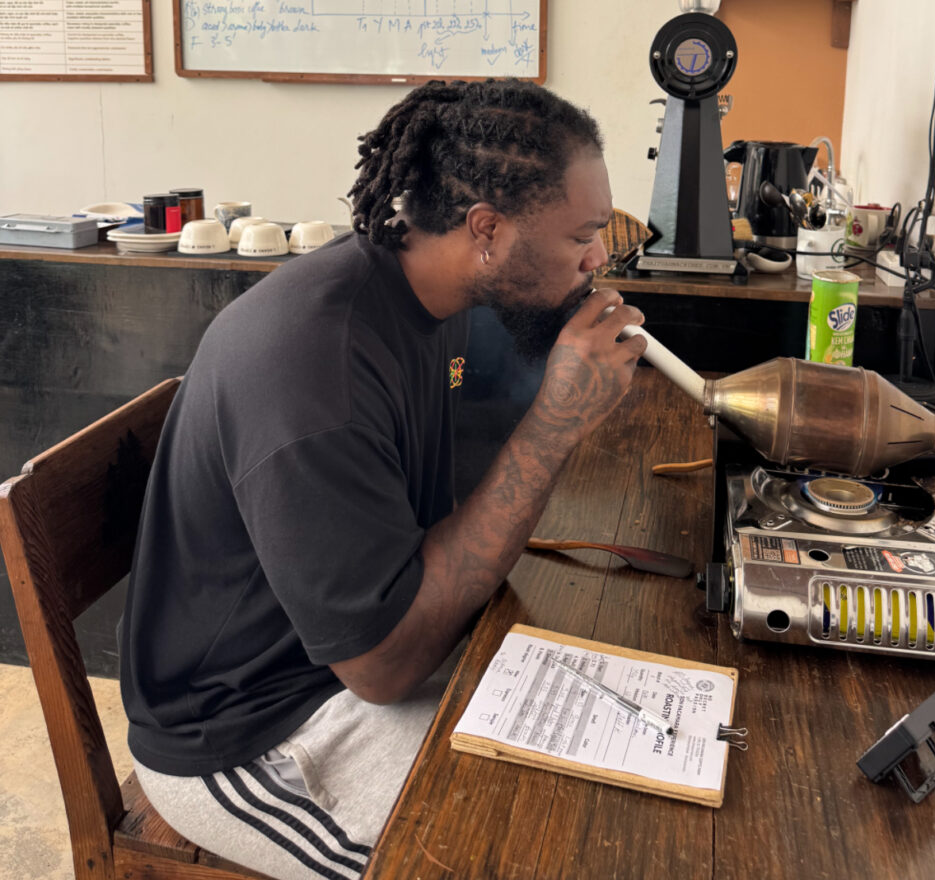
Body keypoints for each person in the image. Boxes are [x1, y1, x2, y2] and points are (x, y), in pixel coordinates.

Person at [119, 79, 647, 880]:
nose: (598, 258)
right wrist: (556, 423)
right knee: (499, 854)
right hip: (248, 728)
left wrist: (564, 392)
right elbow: (382, 669)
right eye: (583, 235)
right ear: (486, 231)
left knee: (600, 793)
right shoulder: (313, 365)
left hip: (346, 660)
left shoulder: (428, 290)